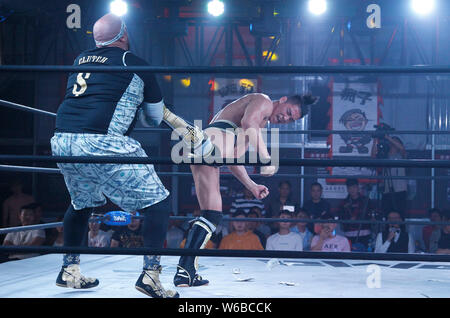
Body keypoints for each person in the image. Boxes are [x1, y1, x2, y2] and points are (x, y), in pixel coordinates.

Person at [50, 13, 181, 297]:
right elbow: (155, 118)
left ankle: (69, 271)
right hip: (101, 142)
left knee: (82, 202)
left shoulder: (80, 59)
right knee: (158, 204)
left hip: (62, 141)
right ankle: (150, 277)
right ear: (124, 35)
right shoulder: (132, 62)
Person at [173, 93, 319, 287]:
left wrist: (252, 185)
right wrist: (266, 158)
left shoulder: (261, 124)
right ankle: (185, 269)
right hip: (209, 147)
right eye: (288, 112)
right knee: (211, 215)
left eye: (291, 119)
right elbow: (249, 122)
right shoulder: (263, 101)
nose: (285, 118)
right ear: (283, 100)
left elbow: (234, 158)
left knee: (211, 215)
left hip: (209, 153)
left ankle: (186, 271)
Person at [371, 134, 408, 217]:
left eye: (395, 142)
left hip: (400, 191)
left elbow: (402, 149)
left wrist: (388, 137)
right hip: (387, 191)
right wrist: (375, 141)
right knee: (387, 214)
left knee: (400, 215)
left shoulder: (401, 156)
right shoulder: (385, 156)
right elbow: (373, 157)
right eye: (391, 143)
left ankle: (400, 229)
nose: (392, 144)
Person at [337, 178, 375, 251]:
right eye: (349, 188)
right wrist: (349, 220)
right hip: (349, 235)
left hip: (365, 235)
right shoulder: (343, 203)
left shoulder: (366, 201)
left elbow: (372, 215)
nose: (352, 190)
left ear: (358, 188)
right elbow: (340, 218)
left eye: (354, 187)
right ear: (347, 189)